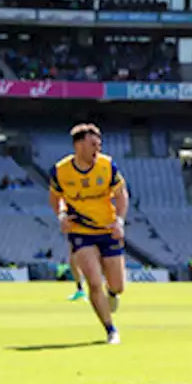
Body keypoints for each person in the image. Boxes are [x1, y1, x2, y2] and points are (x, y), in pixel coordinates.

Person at [49, 123, 128, 344]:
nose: (97, 148)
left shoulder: (107, 165)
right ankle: (110, 330)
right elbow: (55, 198)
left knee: (118, 285)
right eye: (93, 144)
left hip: (107, 229)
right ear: (79, 145)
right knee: (94, 282)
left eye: (99, 144)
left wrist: (120, 221)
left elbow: (121, 195)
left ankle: (112, 293)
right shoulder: (61, 170)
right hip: (80, 231)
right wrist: (62, 216)